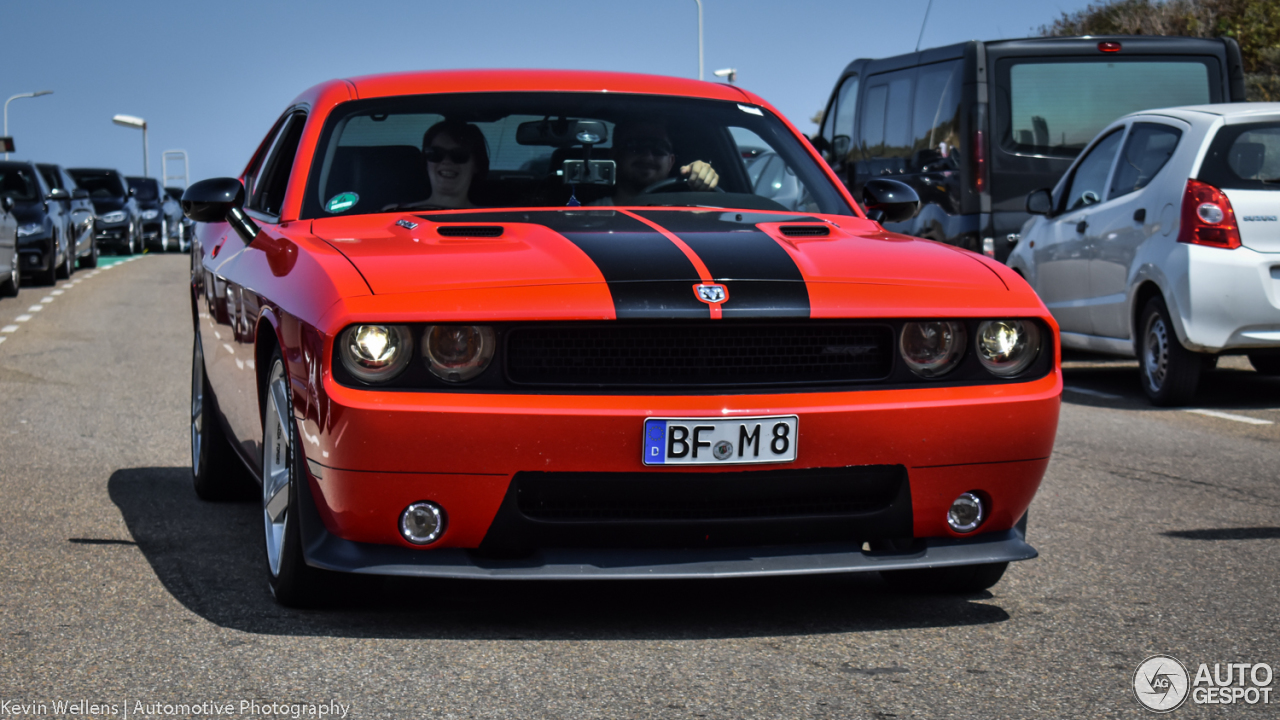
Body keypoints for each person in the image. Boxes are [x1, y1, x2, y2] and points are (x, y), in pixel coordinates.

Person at [592, 121, 719, 205]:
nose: (648, 156)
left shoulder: (686, 212)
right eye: (636, 146)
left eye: (659, 148)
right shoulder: (589, 217)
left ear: (671, 162)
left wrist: (702, 188)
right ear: (614, 155)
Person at [414, 119, 490, 209]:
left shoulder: (492, 221)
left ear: (477, 164)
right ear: (426, 161)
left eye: (459, 154)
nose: (446, 161)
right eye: (436, 153)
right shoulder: (394, 216)